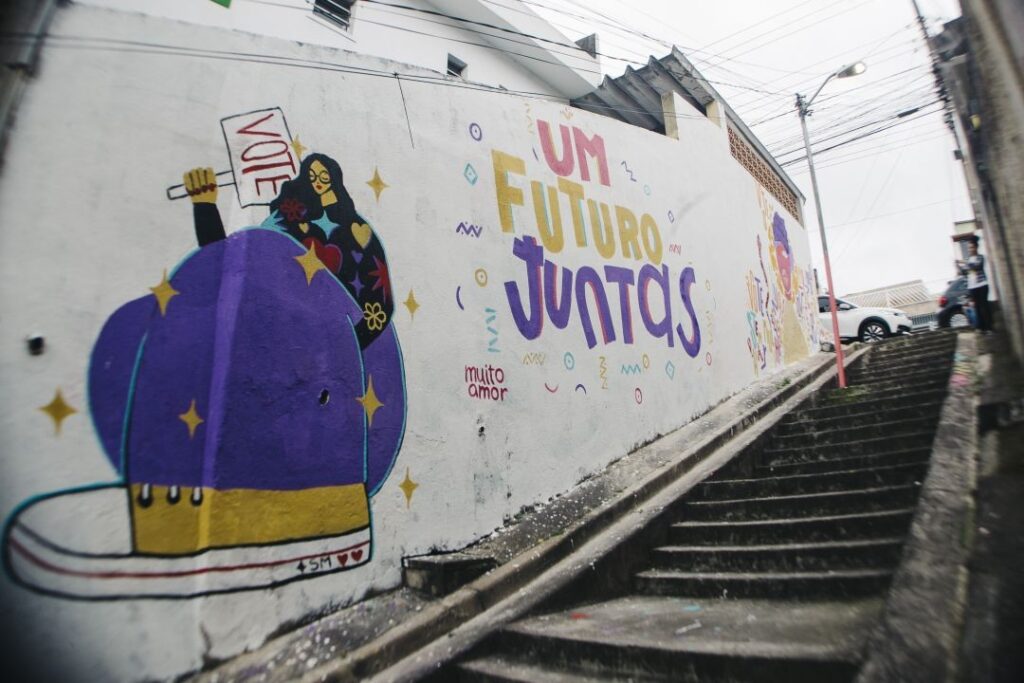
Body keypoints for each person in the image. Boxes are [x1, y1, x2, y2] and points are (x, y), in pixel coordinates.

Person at [957, 236, 992, 333]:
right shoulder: (969, 259)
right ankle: (981, 328)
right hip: (972, 287)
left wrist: (965, 263)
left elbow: (977, 266)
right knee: (976, 308)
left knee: (984, 307)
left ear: (976, 247)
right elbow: (963, 272)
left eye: (972, 247)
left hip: (982, 285)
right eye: (969, 248)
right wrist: (958, 266)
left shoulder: (980, 257)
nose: (970, 249)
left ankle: (989, 328)